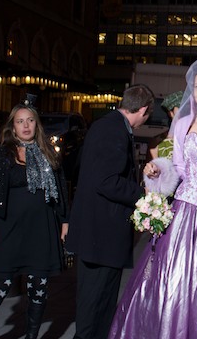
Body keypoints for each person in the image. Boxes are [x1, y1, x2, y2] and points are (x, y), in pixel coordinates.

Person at [109, 55, 197, 338]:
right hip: (186, 207)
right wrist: (155, 171)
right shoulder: (183, 123)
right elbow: (175, 167)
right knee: (175, 276)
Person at [0, 99, 70, 339]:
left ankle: (32, 336)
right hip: (8, 230)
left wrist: (65, 223)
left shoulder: (48, 153)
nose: (25, 126)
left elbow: (61, 190)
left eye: (30, 120)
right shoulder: (1, 154)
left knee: (39, 290)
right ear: (12, 127)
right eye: (20, 121)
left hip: (41, 231)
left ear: (37, 125)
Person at [66, 85, 153, 339]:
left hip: (100, 236)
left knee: (101, 307)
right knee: (93, 308)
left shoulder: (108, 125)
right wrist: (142, 194)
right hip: (100, 236)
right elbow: (106, 181)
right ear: (144, 110)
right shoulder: (112, 130)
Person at [149, 90, 184, 160]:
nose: (184, 113)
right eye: (180, 108)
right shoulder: (158, 143)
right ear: (170, 113)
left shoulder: (195, 140)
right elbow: (151, 167)